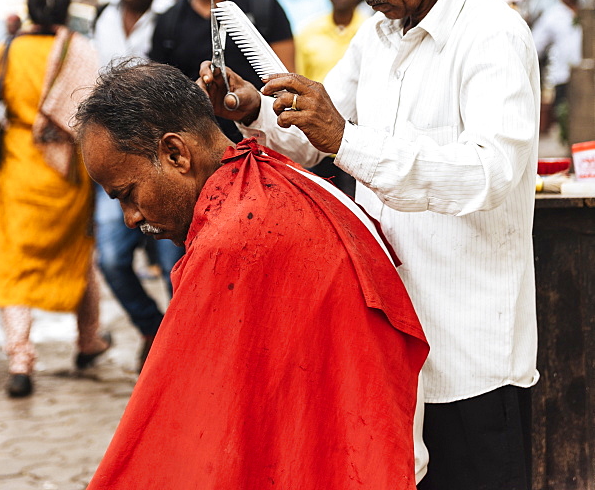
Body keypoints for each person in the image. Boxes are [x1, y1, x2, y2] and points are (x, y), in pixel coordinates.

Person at [201, 0, 540, 490]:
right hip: (389, 340)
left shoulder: (492, 36)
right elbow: (316, 136)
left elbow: (488, 172)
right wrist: (253, 112)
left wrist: (346, 140)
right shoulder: (380, 37)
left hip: (468, 349)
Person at [75, 61, 429, 490]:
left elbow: (179, 425)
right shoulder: (269, 172)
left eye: (127, 194)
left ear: (175, 153)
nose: (130, 218)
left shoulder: (233, 238)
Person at [0, 0, 110, 398]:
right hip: (67, 172)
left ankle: (20, 360)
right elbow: (88, 109)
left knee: (14, 265)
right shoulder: (80, 50)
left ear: (29, 10)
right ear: (66, 12)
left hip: (18, 166)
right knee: (79, 255)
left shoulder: (7, 49)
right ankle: (87, 341)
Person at [93, 0, 178, 371]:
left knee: (172, 262)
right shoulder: (103, 17)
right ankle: (154, 327)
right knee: (110, 257)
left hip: (160, 162)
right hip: (113, 162)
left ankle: (182, 348)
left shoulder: (174, 15)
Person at [150, 0, 294, 140]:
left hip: (266, 147)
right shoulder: (168, 21)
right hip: (198, 154)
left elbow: (288, 84)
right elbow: (160, 99)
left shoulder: (263, 6)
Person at [294, 0, 367, 197]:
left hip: (360, 142)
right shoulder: (308, 33)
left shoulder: (371, 33)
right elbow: (299, 82)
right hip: (317, 145)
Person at [531, 0, 582, 139]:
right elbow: (535, 44)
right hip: (563, 76)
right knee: (567, 122)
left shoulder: (586, 10)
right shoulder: (553, 16)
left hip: (587, 77)